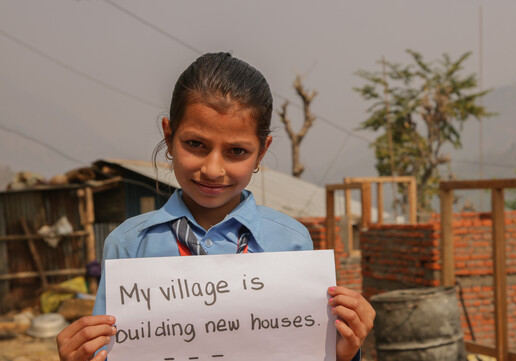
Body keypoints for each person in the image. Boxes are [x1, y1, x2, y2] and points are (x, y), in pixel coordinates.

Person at [56, 52, 375, 361]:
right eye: (195, 144)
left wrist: (342, 352)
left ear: (261, 152)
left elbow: (305, 350)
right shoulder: (128, 245)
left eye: (236, 151)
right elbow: (109, 350)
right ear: (169, 136)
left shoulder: (292, 242)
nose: (212, 169)